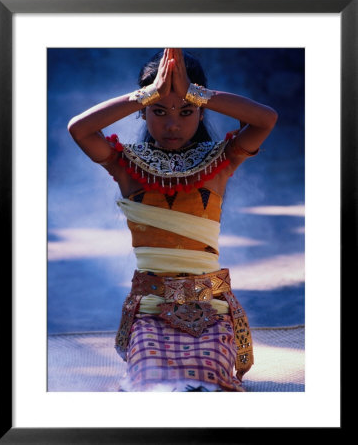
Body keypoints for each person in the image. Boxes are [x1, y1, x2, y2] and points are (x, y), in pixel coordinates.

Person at [68, 48, 278, 392]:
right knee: (152, 381)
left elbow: (265, 118)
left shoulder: (221, 159)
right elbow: (79, 129)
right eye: (158, 111)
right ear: (143, 112)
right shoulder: (125, 165)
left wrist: (195, 91)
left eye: (186, 111)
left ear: (201, 110)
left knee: (206, 379)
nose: (172, 124)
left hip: (211, 308)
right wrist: (148, 92)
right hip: (151, 309)